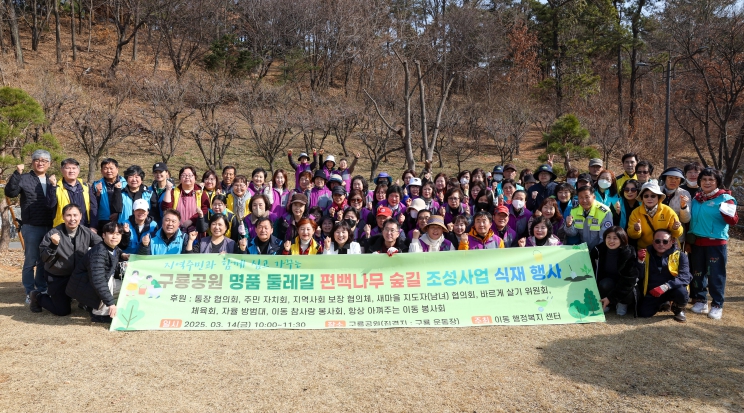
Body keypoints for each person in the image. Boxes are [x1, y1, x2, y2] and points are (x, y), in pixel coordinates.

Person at [32, 204, 102, 315]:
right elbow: (44, 258)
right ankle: (38, 297)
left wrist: (121, 254)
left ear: (81, 216)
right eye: (68, 215)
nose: (72, 219)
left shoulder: (86, 232)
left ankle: (81, 300)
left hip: (78, 275)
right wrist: (53, 245)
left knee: (92, 297)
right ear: (63, 217)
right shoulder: (53, 233)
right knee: (62, 311)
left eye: (75, 215)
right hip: (58, 276)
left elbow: (103, 245)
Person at [5, 149, 55, 302]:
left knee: (43, 260)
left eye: (44, 161)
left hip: (49, 226)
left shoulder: (51, 180)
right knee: (30, 260)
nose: (41, 163)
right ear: (32, 162)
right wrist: (16, 173)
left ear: (49, 164)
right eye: (37, 160)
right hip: (31, 225)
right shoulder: (24, 178)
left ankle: (41, 289)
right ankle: (29, 291)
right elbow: (11, 192)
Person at [688, 168, 738, 319]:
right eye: (704, 179)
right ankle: (701, 300)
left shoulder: (725, 199)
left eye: (711, 179)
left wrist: (727, 213)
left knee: (715, 274)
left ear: (717, 181)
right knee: (698, 273)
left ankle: (717, 304)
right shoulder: (696, 199)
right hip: (697, 242)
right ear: (700, 182)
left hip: (716, 243)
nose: (707, 182)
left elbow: (734, 221)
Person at [65, 221, 128, 323]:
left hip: (87, 285)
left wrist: (123, 255)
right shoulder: (98, 252)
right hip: (83, 287)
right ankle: (99, 314)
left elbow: (116, 252)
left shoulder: (113, 248)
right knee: (106, 280)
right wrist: (111, 304)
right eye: (111, 233)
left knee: (127, 286)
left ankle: (88, 304)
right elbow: (98, 281)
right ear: (103, 235)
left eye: (118, 234)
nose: (114, 237)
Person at [637, 229, 691, 322]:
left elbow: (685, 277)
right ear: (653, 242)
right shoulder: (645, 254)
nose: (661, 244)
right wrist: (640, 262)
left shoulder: (681, 255)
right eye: (657, 241)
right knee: (643, 313)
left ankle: (678, 308)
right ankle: (662, 304)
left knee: (681, 292)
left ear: (672, 242)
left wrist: (666, 286)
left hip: (672, 288)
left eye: (665, 241)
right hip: (653, 291)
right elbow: (639, 276)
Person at [590, 226, 638, 316]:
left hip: (623, 283)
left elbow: (629, 281)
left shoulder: (629, 252)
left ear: (622, 239)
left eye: (615, 238)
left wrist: (611, 298)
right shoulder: (598, 250)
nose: (611, 241)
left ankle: (622, 303)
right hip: (608, 282)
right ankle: (606, 303)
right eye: (608, 237)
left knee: (629, 290)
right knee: (604, 284)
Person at [627, 182, 687, 249]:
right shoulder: (635, 213)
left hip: (666, 249)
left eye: (653, 196)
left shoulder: (668, 211)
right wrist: (635, 229)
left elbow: (678, 234)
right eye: (646, 196)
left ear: (658, 197)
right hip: (646, 250)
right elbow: (632, 235)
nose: (649, 198)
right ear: (642, 198)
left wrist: (676, 228)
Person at [46, 157, 98, 229]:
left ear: (78, 170)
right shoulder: (56, 187)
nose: (71, 171)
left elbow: (93, 208)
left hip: (84, 227)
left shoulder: (86, 187)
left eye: (74, 168)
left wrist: (93, 226)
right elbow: (50, 205)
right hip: (63, 228)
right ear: (62, 170)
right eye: (68, 168)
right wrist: (53, 186)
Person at [160, 165, 210, 233]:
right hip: (176, 230)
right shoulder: (174, 192)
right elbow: (166, 208)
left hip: (196, 231)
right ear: (180, 178)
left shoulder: (201, 193)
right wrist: (168, 190)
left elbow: (205, 209)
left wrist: (192, 220)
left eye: (190, 175)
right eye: (184, 175)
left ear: (195, 178)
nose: (187, 177)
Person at [564, 185, 613, 250]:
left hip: (600, 249)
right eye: (581, 197)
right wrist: (568, 225)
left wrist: (597, 251)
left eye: (587, 197)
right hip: (583, 249)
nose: (584, 200)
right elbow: (573, 234)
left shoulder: (604, 212)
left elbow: (606, 237)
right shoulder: (574, 210)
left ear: (594, 197)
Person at [93, 158, 125, 232]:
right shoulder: (96, 185)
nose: (109, 171)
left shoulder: (126, 184)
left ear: (117, 169)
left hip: (122, 219)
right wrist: (97, 193)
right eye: (105, 168)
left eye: (111, 168)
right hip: (103, 220)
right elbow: (93, 205)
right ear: (101, 170)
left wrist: (119, 214)